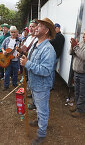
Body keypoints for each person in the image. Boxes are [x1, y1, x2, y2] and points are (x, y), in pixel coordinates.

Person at [20, 17, 56, 145]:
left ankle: (41, 134)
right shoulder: (36, 44)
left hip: (42, 86)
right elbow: (33, 62)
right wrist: (26, 59)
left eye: (39, 26)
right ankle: (40, 121)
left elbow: (46, 70)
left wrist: (27, 63)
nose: (35, 27)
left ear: (46, 31)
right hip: (34, 84)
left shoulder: (48, 49)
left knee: (42, 109)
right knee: (39, 107)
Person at [1, 26, 20, 91]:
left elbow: (21, 48)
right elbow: (2, 46)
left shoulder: (19, 40)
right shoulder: (7, 39)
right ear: (10, 32)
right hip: (8, 60)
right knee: (7, 73)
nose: (13, 34)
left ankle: (14, 83)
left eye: (14, 32)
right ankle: (6, 85)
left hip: (15, 59)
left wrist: (19, 53)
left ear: (16, 32)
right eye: (12, 32)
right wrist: (3, 51)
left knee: (15, 72)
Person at [49, 23, 65, 90]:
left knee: (52, 71)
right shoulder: (57, 36)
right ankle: (50, 85)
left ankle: (51, 86)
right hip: (54, 56)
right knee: (51, 71)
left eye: (55, 28)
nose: (54, 29)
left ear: (58, 28)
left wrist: (48, 39)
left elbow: (52, 42)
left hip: (55, 56)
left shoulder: (60, 36)